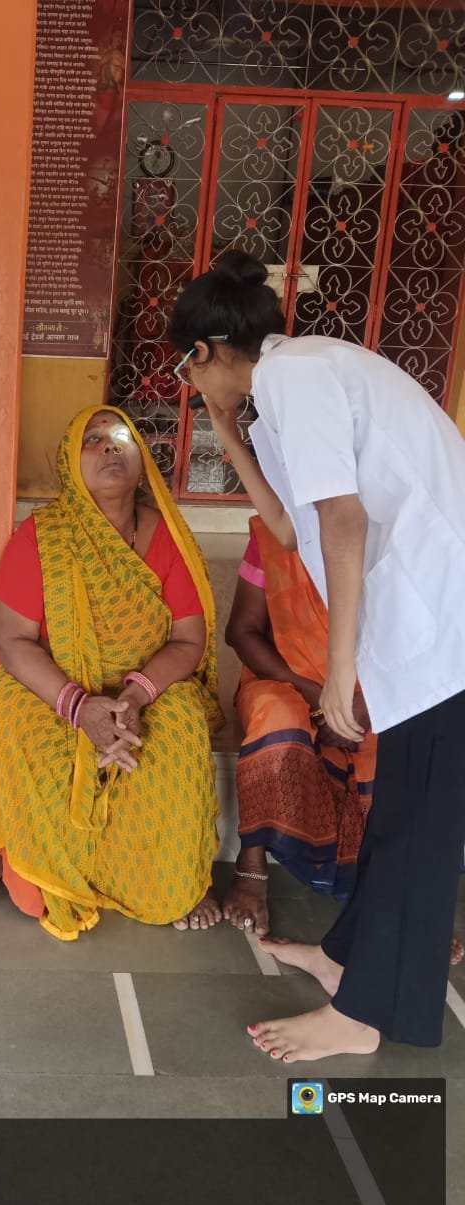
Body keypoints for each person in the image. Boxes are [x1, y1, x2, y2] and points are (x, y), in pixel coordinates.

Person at [168, 250, 465, 1062]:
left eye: (189, 368)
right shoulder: (280, 394)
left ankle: (363, 1018)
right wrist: (227, 430)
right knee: (401, 812)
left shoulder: (296, 375)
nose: (190, 384)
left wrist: (339, 671)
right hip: (420, 625)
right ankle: (344, 961)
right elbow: (288, 526)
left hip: (443, 621)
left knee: (418, 825)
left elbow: (343, 519)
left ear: (208, 350)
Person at [0, 406, 224, 940]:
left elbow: (189, 640)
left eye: (121, 437)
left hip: (147, 689)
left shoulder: (169, 538)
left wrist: (134, 699)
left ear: (142, 462)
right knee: (2, 707)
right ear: (68, 463)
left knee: (184, 722)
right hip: (58, 687)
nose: (110, 447)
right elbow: (14, 642)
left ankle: (184, 873)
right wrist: (79, 707)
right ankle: (0, 850)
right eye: (93, 440)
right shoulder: (42, 536)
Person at [224, 516, 465, 962]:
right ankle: (251, 868)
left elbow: (435, 640)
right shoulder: (278, 534)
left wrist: (366, 702)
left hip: (380, 689)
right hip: (290, 680)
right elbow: (241, 630)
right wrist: (318, 695)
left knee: (406, 742)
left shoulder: (406, 528)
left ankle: (404, 893)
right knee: (276, 719)